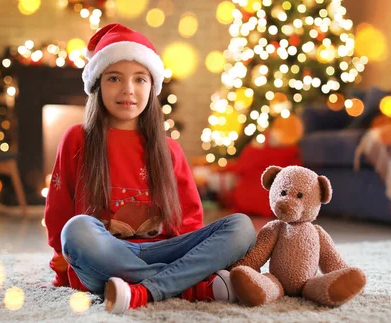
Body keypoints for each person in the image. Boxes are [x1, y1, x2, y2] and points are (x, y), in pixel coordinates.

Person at [44, 23, 256, 315]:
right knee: (76, 230)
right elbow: (58, 210)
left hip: (165, 250)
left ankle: (143, 291)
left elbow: (189, 221)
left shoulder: (169, 150)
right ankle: (189, 286)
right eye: (114, 78)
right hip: (106, 257)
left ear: (152, 87)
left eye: (140, 80)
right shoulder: (77, 139)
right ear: (98, 84)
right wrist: (62, 261)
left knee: (241, 227)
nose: (128, 90)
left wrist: (190, 255)